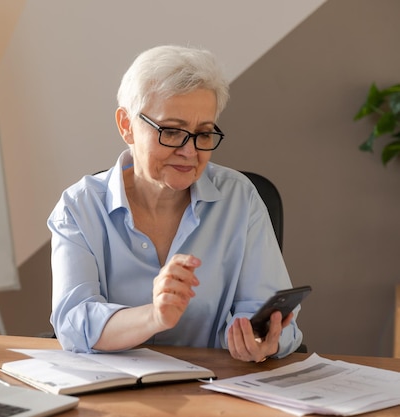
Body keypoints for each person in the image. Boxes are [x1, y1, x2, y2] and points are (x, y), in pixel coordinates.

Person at [47, 45, 303, 363]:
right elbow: (74, 322)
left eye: (203, 133)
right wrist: (155, 316)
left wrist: (264, 339)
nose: (189, 151)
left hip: (215, 390)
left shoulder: (241, 199)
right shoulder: (80, 207)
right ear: (126, 125)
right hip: (111, 395)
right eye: (171, 131)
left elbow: (276, 320)